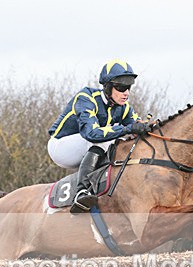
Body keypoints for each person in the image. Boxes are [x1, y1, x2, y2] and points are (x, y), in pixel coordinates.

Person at [48, 60, 150, 213]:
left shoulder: (124, 108)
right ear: (107, 87)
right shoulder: (86, 98)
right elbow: (91, 134)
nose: (126, 93)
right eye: (121, 87)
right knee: (108, 139)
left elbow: (137, 126)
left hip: (84, 149)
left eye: (128, 87)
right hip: (61, 147)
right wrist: (127, 128)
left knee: (123, 142)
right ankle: (81, 192)